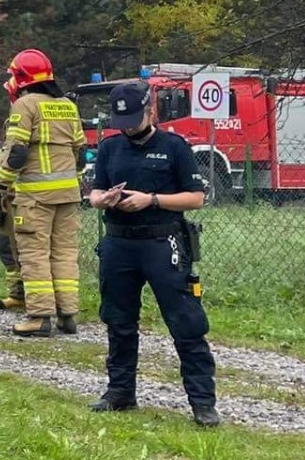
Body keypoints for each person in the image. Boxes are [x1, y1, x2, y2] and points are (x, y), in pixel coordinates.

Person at [88, 80, 218, 426]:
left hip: (163, 244)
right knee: (118, 320)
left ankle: (203, 403)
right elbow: (95, 191)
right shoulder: (109, 148)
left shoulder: (174, 147)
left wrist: (152, 200)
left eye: (133, 118)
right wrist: (102, 199)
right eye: (122, 121)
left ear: (149, 110)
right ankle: (120, 392)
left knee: (186, 322)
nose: (128, 126)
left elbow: (196, 198)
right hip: (118, 243)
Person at [0, 49, 83, 337]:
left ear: (21, 77)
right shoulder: (68, 105)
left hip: (35, 198)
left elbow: (17, 152)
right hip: (69, 195)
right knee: (65, 253)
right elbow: (79, 153)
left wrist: (1, 184)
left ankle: (39, 317)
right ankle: (67, 316)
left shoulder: (25, 104)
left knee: (34, 255)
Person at [0, 78, 25, 313]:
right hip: (10, 194)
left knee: (18, 248)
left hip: (20, 196)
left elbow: (15, 155)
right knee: (7, 246)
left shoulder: (23, 116)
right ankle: (17, 294)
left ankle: (28, 296)